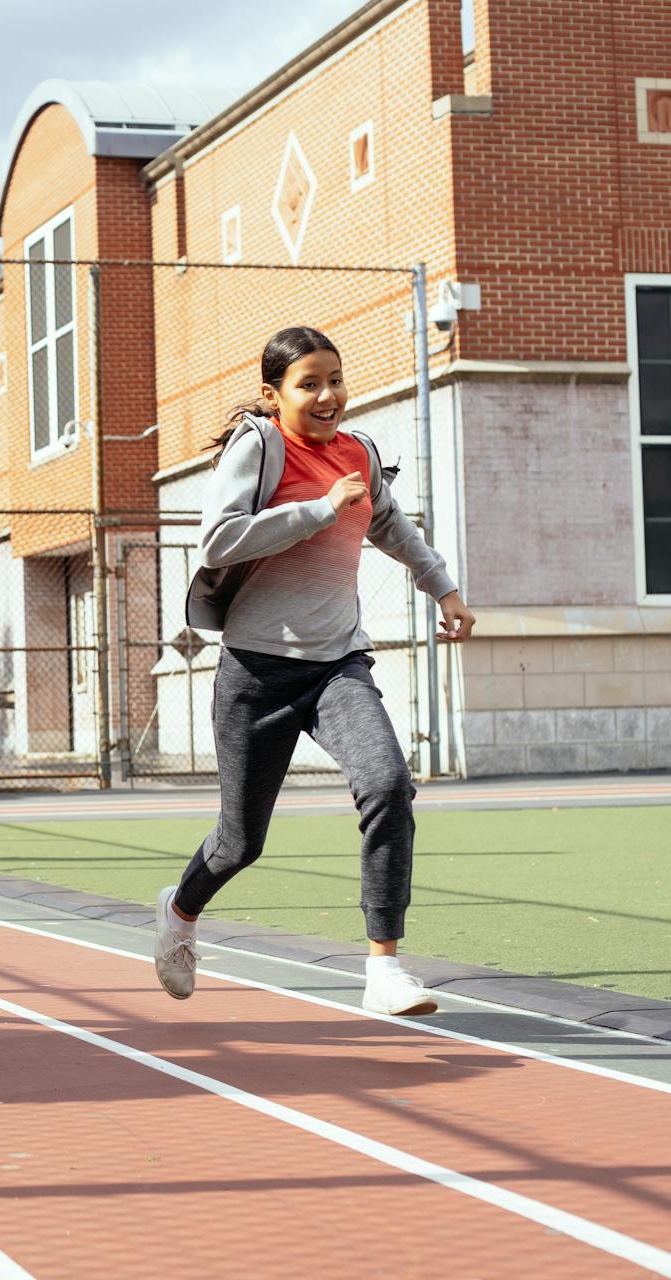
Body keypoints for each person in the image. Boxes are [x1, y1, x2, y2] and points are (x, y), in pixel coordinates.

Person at [157, 326, 475, 1016]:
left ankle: (384, 968)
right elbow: (218, 540)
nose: (328, 395)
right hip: (256, 671)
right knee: (241, 842)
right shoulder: (261, 446)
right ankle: (179, 915)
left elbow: (389, 524)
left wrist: (443, 588)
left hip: (337, 664)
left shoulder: (358, 452)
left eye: (335, 378)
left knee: (388, 784)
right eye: (309, 383)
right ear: (275, 396)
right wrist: (315, 510)